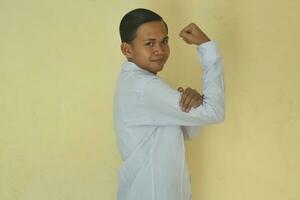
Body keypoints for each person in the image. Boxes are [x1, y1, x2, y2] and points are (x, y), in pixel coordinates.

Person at [114, 8, 225, 200]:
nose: (160, 50)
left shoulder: (138, 82)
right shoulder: (145, 86)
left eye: (164, 41)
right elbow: (214, 112)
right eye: (150, 43)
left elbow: (187, 132)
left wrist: (196, 103)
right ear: (127, 49)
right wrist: (206, 47)